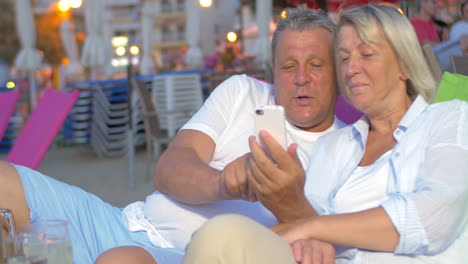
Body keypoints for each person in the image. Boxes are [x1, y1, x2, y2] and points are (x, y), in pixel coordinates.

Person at [0, 6, 345, 264]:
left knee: (120, 260)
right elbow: (168, 169)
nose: (301, 78)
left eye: (316, 65)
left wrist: (285, 201)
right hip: (121, 220)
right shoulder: (242, 91)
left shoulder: (350, 151)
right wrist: (224, 181)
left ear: (337, 71)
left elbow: (326, 247)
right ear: (273, 69)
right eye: (288, 66)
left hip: (181, 255)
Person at [183, 4, 468, 264]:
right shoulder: (333, 145)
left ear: (404, 64)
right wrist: (279, 203)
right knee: (220, 236)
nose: (352, 69)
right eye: (343, 59)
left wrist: (309, 227)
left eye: (366, 54)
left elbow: (432, 218)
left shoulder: (450, 118)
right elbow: (307, 227)